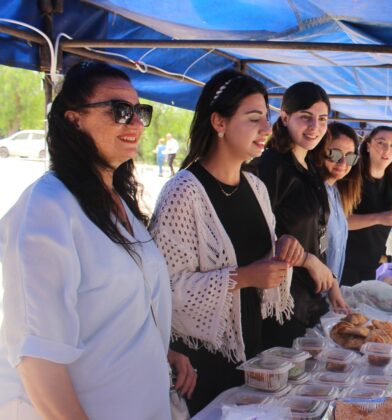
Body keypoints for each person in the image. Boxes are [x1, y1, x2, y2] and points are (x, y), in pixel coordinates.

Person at [0, 60, 195, 419]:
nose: (136, 122)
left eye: (140, 111)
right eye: (121, 111)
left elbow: (114, 310)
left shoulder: (118, 203)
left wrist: (160, 351)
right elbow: (37, 357)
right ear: (75, 120)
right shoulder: (47, 208)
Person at [149, 70, 304, 414]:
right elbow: (164, 289)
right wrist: (245, 276)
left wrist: (284, 246)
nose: (266, 128)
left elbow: (262, 257)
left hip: (251, 348)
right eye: (253, 119)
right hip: (201, 360)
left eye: (267, 118)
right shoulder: (183, 192)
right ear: (218, 122)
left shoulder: (257, 188)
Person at [251, 81, 346, 348]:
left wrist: (331, 280)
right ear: (284, 117)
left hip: (312, 298)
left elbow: (318, 233)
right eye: (305, 117)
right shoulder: (270, 167)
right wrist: (308, 262)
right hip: (281, 302)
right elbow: (259, 235)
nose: (315, 127)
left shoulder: (311, 167)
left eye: (322, 119)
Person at [342, 126, 392, 286]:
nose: (386, 149)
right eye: (380, 142)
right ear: (368, 146)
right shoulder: (350, 175)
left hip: (374, 258)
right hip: (345, 260)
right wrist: (380, 218)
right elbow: (340, 221)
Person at [311, 122, 362, 282]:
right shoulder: (312, 193)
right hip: (312, 293)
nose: (343, 163)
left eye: (350, 157)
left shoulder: (336, 193)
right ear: (320, 151)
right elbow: (319, 243)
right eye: (335, 154)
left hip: (330, 292)